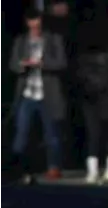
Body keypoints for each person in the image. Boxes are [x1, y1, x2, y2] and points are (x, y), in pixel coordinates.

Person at [8, 7, 68, 182]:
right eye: (32, 24)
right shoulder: (21, 41)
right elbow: (13, 64)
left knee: (52, 134)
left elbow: (61, 63)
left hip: (47, 94)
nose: (35, 27)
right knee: (22, 133)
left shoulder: (53, 39)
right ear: (28, 23)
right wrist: (23, 65)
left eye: (38, 24)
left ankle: (54, 167)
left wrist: (42, 63)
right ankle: (20, 169)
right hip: (27, 93)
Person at [76, 18, 108, 184]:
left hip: (92, 98)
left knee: (96, 134)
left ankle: (94, 171)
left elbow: (81, 79)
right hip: (103, 97)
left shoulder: (83, 59)